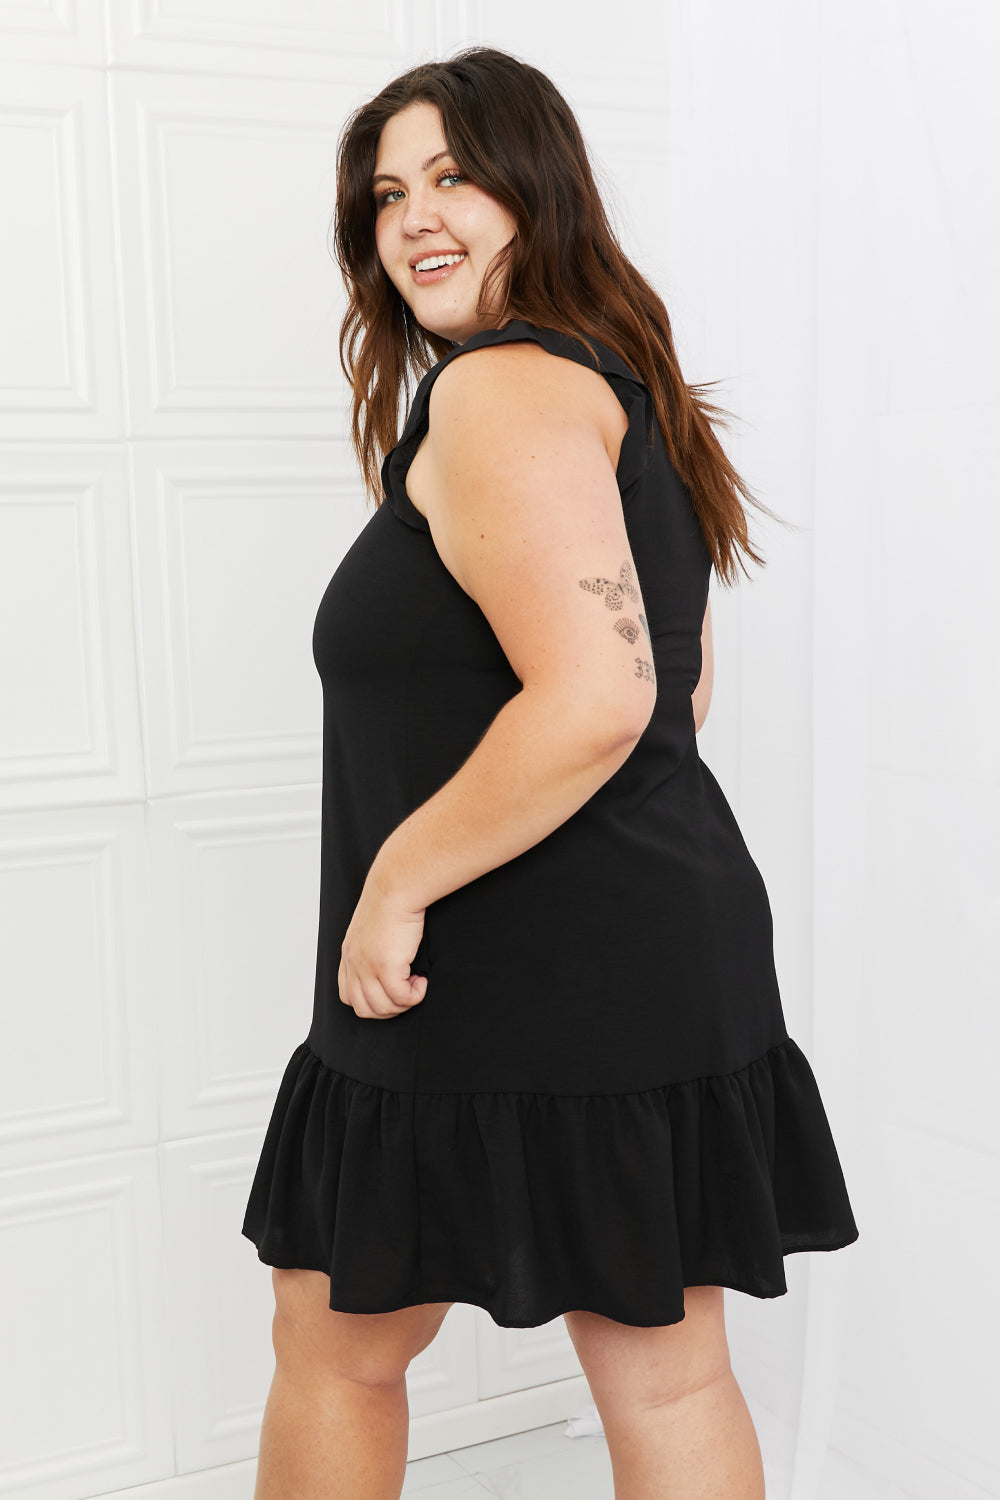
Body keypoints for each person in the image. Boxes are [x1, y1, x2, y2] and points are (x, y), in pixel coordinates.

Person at [241, 45, 859, 1500]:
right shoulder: (613, 385)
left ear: (540, 188)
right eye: (387, 192)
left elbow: (601, 697)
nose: (414, 216)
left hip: (491, 955)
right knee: (665, 1372)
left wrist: (394, 886)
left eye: (454, 176)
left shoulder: (503, 392)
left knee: (336, 1346)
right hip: (647, 942)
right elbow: (676, 686)